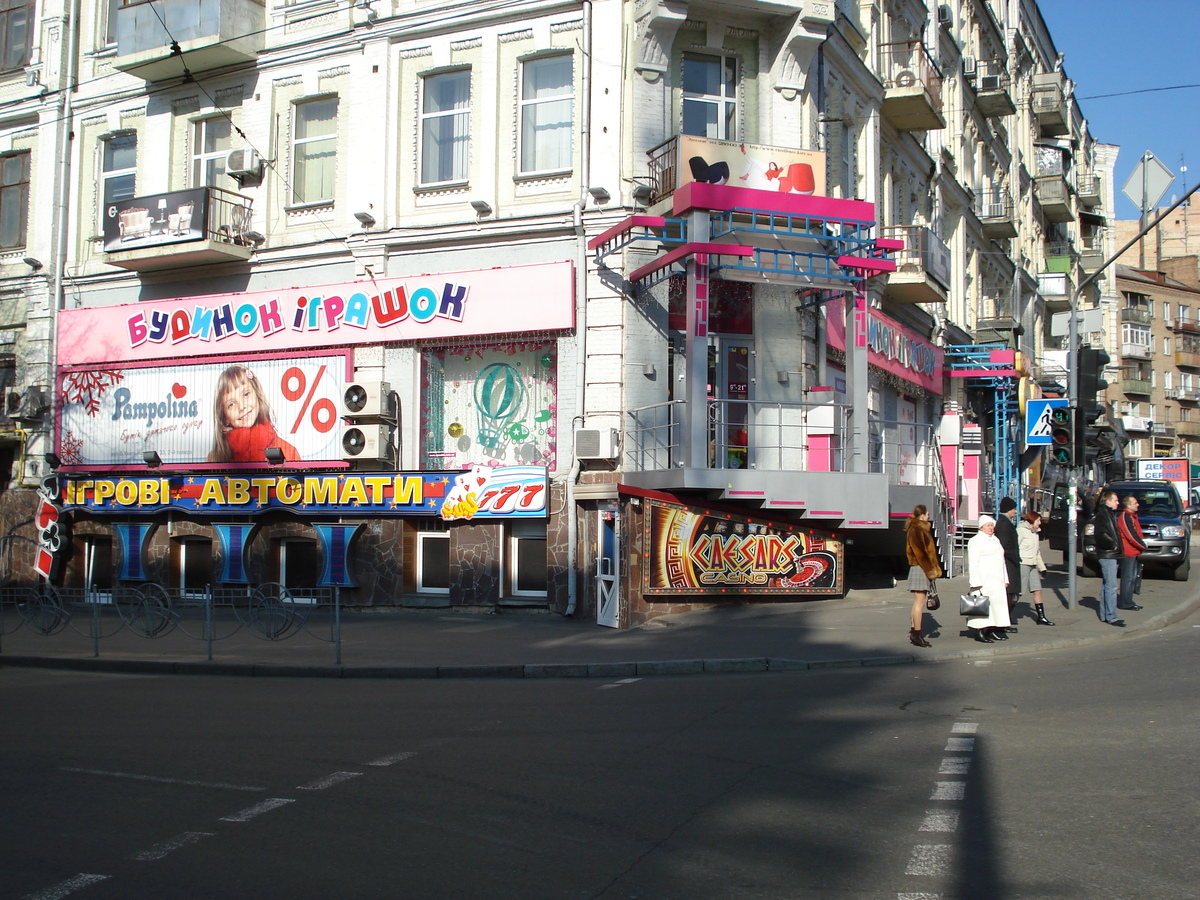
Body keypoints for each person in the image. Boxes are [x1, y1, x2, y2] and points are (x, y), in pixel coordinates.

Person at [207, 364, 300, 464]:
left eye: (246, 394)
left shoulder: (288, 452)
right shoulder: (215, 459)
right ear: (225, 417)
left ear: (256, 393)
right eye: (231, 404)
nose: (242, 406)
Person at [966, 514, 1013, 642]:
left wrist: (1005, 579)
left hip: (997, 580)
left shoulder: (995, 540)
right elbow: (973, 563)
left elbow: (1001, 561)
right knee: (984, 607)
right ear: (981, 527)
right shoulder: (975, 541)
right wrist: (975, 582)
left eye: (992, 525)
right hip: (985, 581)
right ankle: (980, 631)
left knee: (996, 607)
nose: (990, 528)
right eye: (988, 525)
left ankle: (991, 630)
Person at [904, 504, 943, 648]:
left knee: (917, 603)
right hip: (921, 568)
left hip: (920, 568)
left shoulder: (917, 528)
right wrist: (931, 571)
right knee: (919, 603)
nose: (929, 516)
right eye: (927, 514)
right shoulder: (917, 529)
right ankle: (917, 634)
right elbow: (921, 553)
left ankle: (914, 631)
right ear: (922, 515)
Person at [1092, 489, 1125, 627]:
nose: (1118, 503)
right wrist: (1113, 545)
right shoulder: (1103, 515)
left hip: (1110, 553)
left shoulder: (1109, 514)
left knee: (1107, 585)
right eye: (1116, 500)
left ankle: (1106, 614)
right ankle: (1111, 616)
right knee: (1111, 586)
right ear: (1108, 501)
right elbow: (1100, 534)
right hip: (1108, 554)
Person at [1017, 511, 1054, 625]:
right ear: (1031, 521)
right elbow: (1014, 548)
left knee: (1037, 590)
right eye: (1038, 521)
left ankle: (1041, 617)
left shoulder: (1035, 533)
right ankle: (1007, 615)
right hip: (1023, 564)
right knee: (1019, 592)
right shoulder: (1021, 531)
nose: (1040, 523)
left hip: (1033, 564)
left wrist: (1042, 568)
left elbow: (1037, 552)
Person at [1116, 495, 1148, 611]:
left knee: (1132, 577)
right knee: (1127, 577)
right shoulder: (1126, 517)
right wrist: (1142, 545)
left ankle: (1129, 600)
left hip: (1134, 551)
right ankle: (1125, 602)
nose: (1138, 505)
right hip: (1128, 552)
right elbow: (1131, 535)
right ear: (1128, 505)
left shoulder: (1132, 516)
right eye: (1135, 503)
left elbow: (1136, 533)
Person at [994, 497, 1022, 628]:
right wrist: (1014, 557)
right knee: (1009, 595)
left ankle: (1005, 621)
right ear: (1008, 509)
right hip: (1008, 564)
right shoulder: (1004, 524)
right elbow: (1004, 545)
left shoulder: (1006, 522)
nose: (1015, 511)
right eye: (1014, 509)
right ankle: (1003, 623)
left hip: (1010, 562)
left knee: (1011, 594)